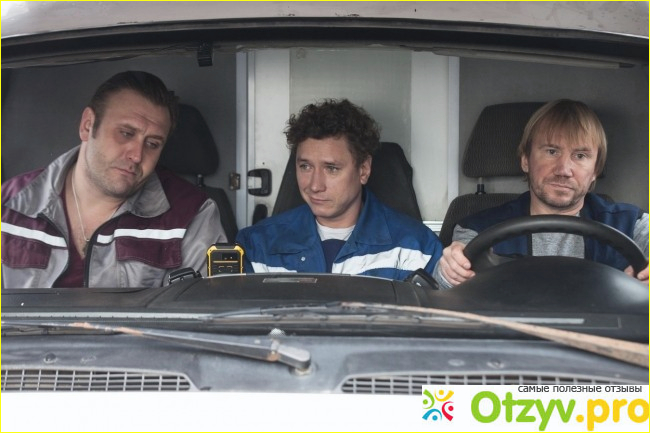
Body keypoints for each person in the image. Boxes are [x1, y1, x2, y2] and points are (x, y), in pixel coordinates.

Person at [2, 71, 227, 288]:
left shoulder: (190, 215)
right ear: (87, 125)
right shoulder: (9, 206)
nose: (137, 155)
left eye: (152, 144)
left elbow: (203, 308)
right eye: (126, 133)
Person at [434, 99, 649, 289]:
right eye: (551, 152)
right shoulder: (477, 229)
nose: (564, 170)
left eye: (580, 156)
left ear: (595, 171)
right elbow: (443, 289)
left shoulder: (632, 224)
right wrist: (450, 271)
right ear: (525, 160)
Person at [236, 98, 443, 280]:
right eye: (305, 167)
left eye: (331, 168)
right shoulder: (256, 246)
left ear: (363, 170)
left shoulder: (418, 247)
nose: (315, 185)